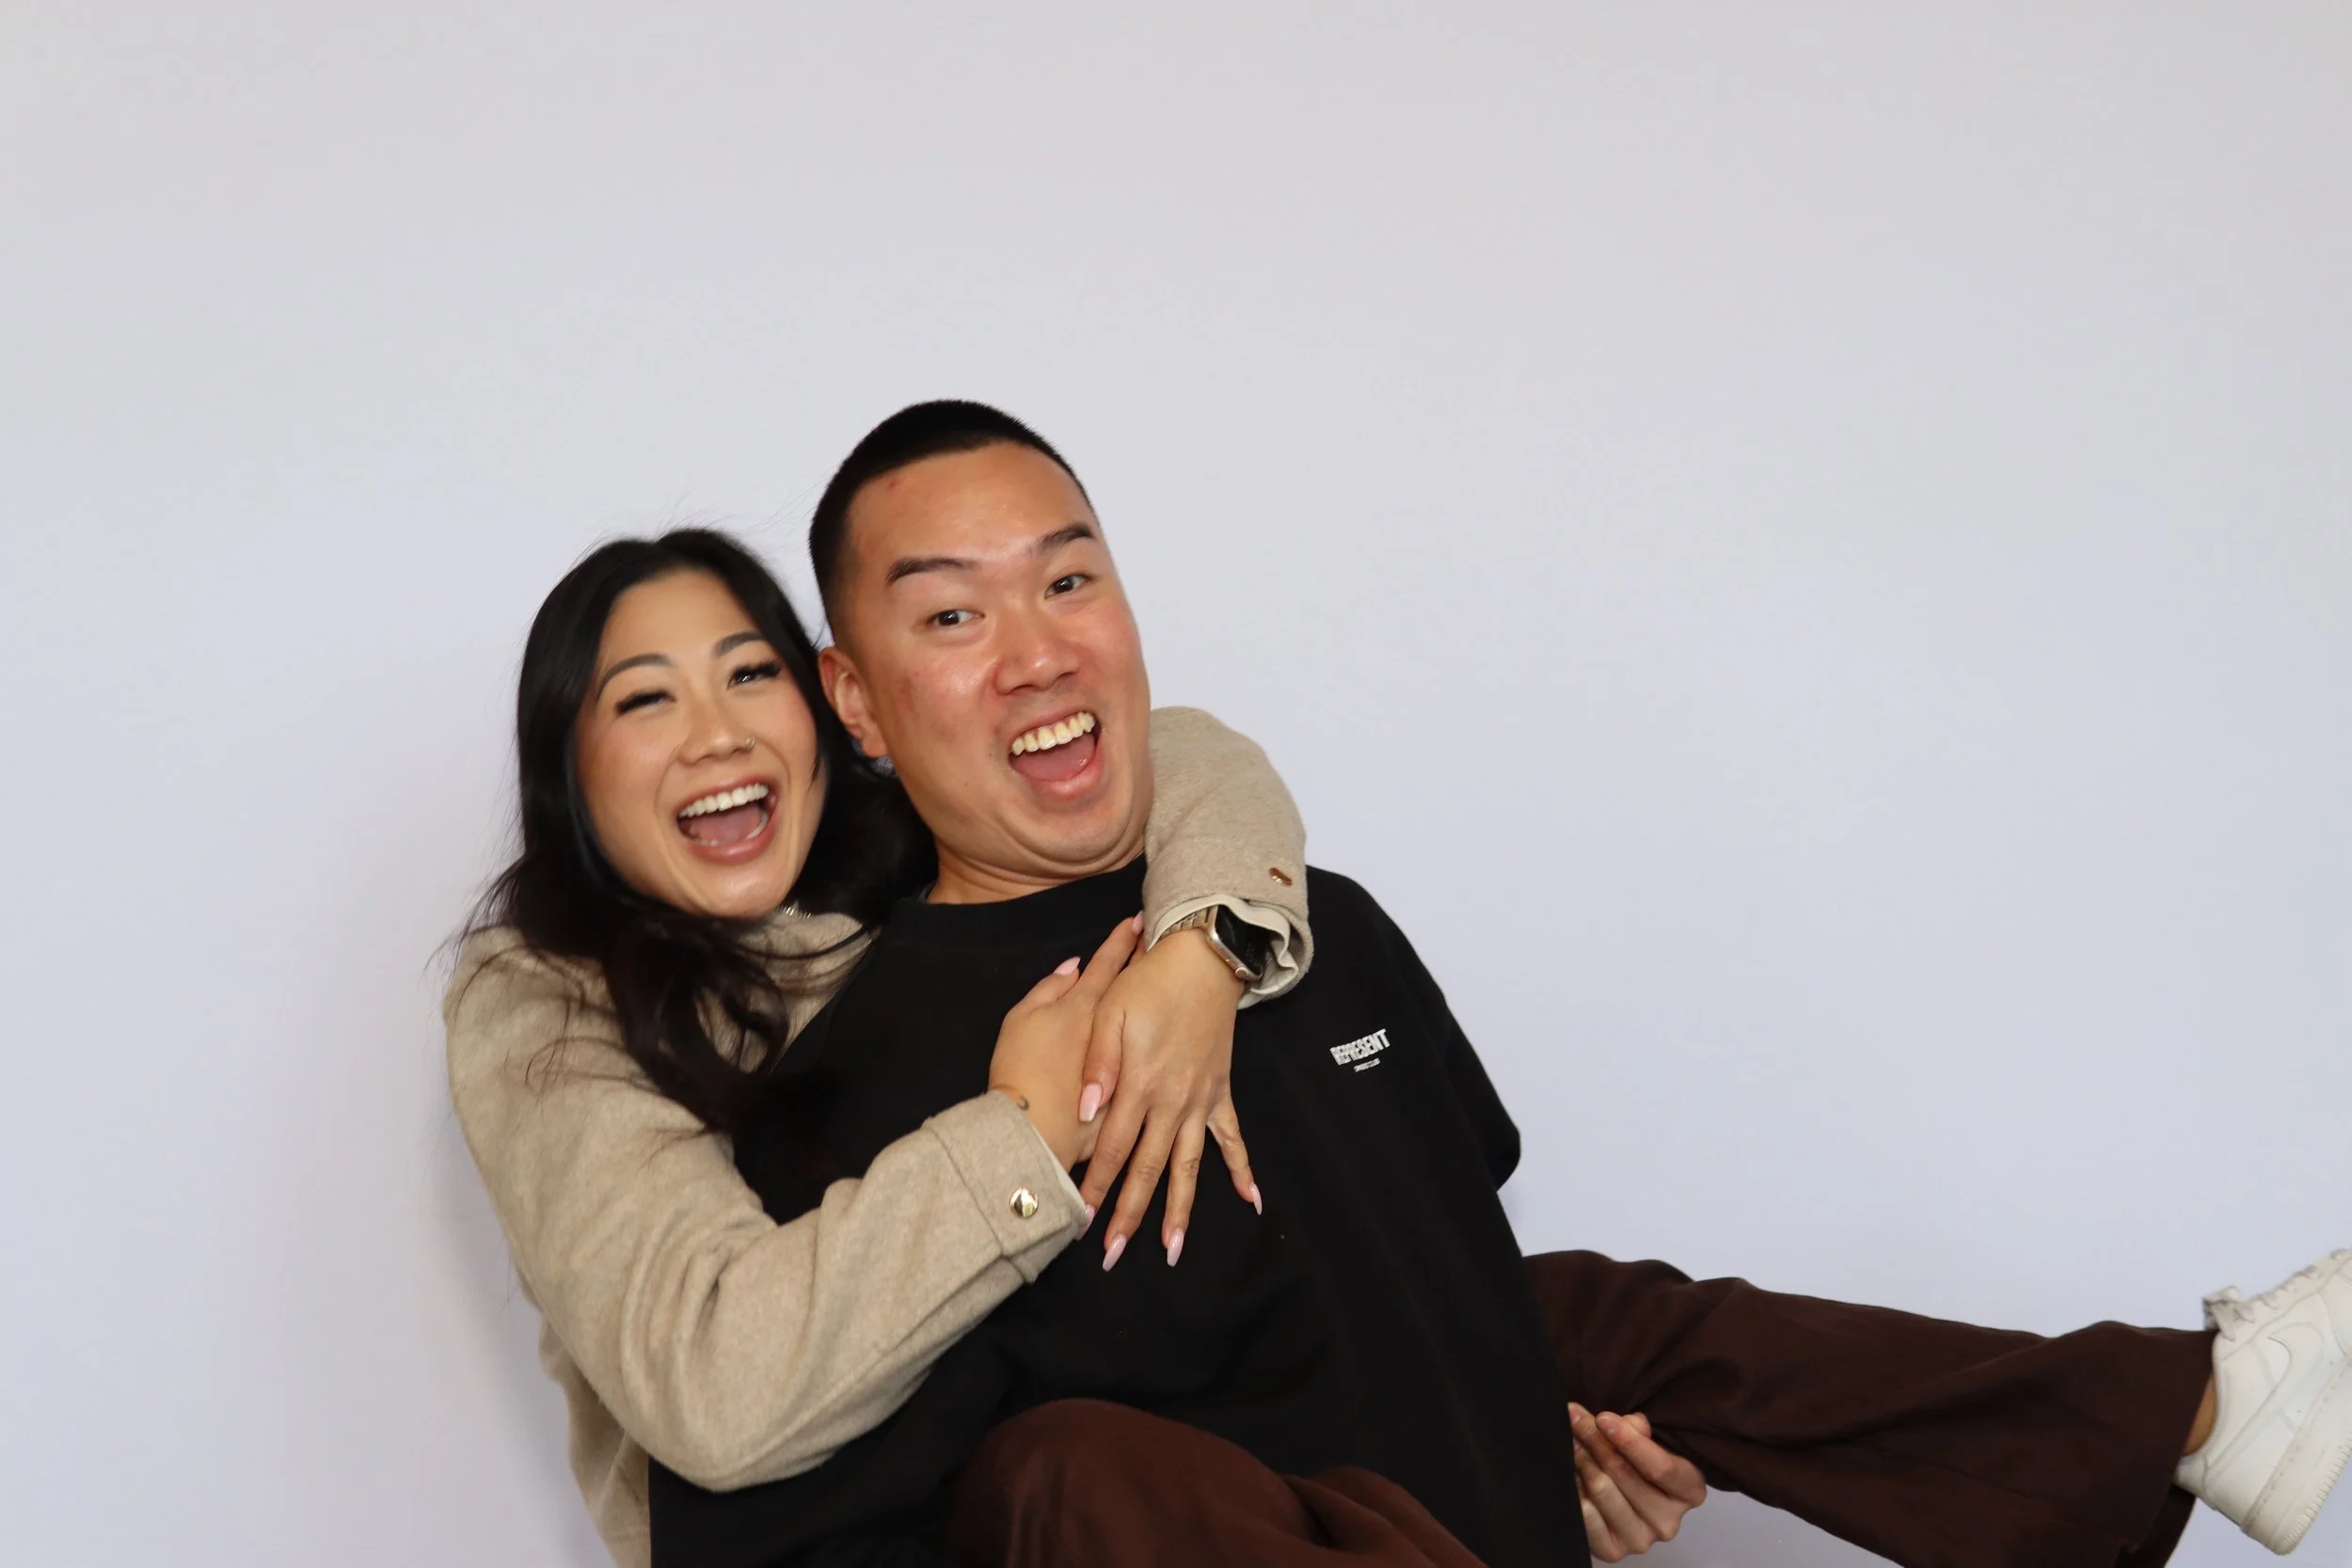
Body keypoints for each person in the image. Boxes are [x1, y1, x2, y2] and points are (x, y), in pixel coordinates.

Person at [647, 400, 2352, 1568]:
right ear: (855, 702)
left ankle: (2202, 1407)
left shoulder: (1318, 923)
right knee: (1069, 1467)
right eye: (952, 618)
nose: (1039, 649)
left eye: (1071, 577)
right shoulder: (861, 1073)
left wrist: (1573, 1459)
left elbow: (1429, 1283)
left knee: (1588, 1312)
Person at [445, 529, 1324, 1567]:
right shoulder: (547, 992)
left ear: (828, 710)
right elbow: (713, 1385)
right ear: (568, 769)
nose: (715, 735)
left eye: (750, 675)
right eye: (646, 699)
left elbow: (1178, 747)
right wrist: (1028, 1134)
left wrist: (1202, 953)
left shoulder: (911, 871)